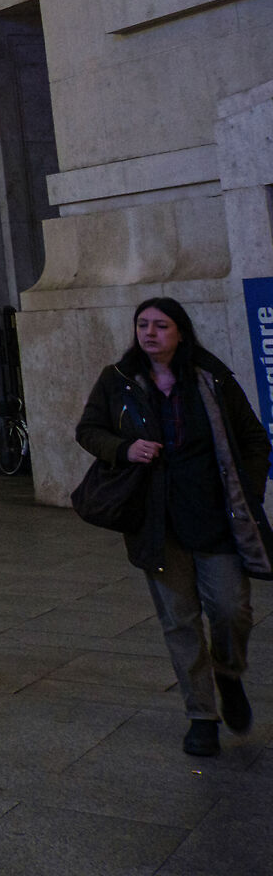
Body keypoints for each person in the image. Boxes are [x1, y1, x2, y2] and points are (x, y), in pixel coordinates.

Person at [75, 296, 269, 757]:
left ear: (180, 332)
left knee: (230, 609)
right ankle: (201, 715)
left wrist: (249, 491)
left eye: (160, 325)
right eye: (142, 324)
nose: (149, 333)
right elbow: (89, 430)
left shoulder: (211, 377)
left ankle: (229, 672)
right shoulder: (118, 380)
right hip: (156, 523)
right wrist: (125, 450)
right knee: (179, 622)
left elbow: (254, 439)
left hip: (216, 519)